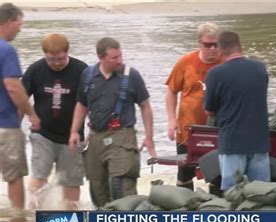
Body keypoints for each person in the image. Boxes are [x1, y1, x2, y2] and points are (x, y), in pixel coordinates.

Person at [68, 37, 157, 207]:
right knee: (97, 189)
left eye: (120, 56)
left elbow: (145, 106)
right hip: (95, 138)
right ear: (101, 57)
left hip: (122, 136)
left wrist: (149, 138)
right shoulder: (88, 75)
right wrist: (74, 131)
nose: (119, 61)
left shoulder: (131, 76)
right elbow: (81, 105)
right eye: (114, 58)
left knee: (120, 186)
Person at [22, 33, 87, 209]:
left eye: (60, 58)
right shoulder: (35, 70)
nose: (56, 63)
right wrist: (15, 128)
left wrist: (93, 129)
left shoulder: (82, 70)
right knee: (39, 176)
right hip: (43, 134)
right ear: (45, 55)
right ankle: (32, 216)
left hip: (72, 136)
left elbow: (92, 103)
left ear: (67, 53)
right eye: (51, 59)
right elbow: (21, 99)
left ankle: (71, 217)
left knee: (71, 181)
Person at [204, 31, 271, 191]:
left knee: (233, 193)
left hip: (232, 142)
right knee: (262, 193)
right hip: (259, 142)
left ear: (220, 49)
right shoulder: (260, 69)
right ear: (240, 46)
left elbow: (209, 110)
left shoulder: (215, 74)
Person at [165, 22, 222, 190]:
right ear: (199, 43)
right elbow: (171, 91)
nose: (212, 49)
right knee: (184, 175)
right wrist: (171, 120)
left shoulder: (225, 63)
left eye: (215, 44)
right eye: (208, 45)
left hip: (216, 130)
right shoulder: (185, 62)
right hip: (188, 130)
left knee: (217, 175)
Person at [0, 3, 40, 209]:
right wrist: (31, 114)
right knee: (14, 177)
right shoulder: (6, 50)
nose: (20, 28)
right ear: (8, 21)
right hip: (5, 125)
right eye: (18, 23)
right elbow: (13, 86)